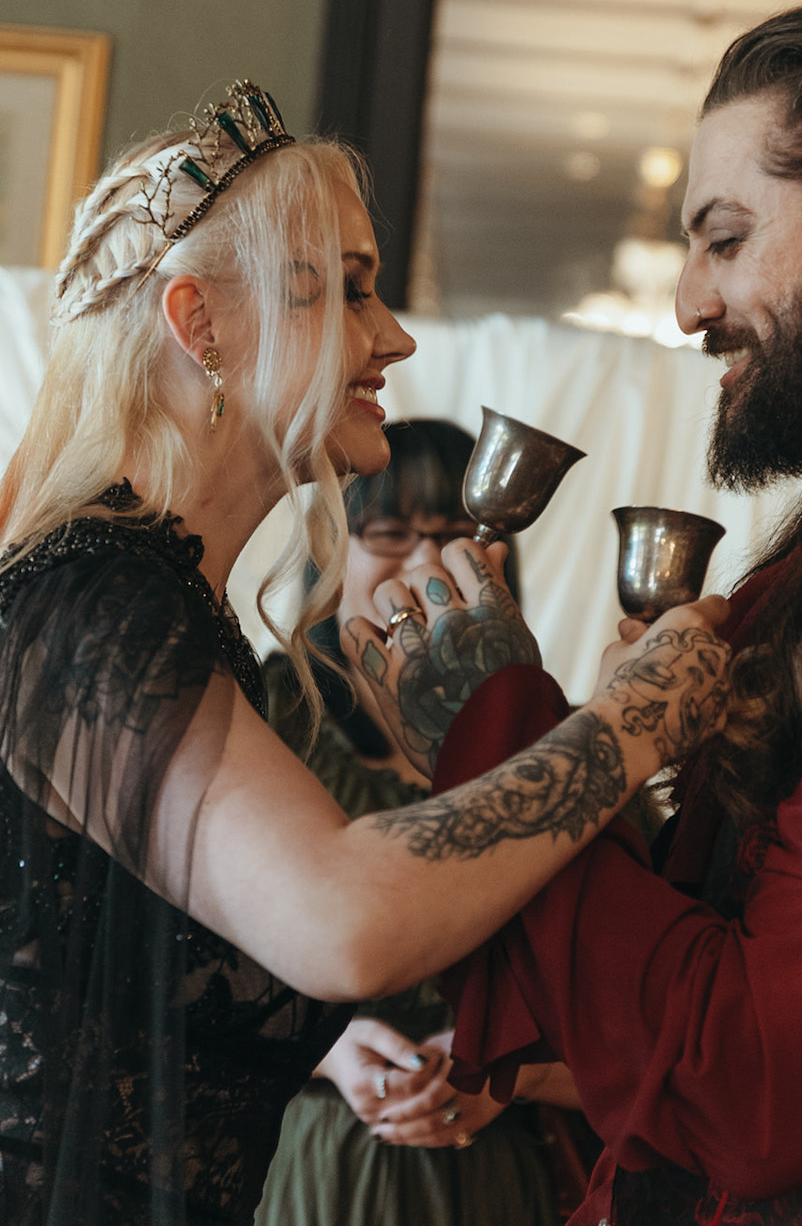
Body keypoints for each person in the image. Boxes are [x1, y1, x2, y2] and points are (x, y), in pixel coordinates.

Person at [0, 81, 731, 1226]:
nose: (395, 336)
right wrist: (632, 720)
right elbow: (344, 919)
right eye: (348, 291)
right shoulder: (83, 598)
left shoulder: (166, 613)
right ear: (202, 326)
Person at [341, 2, 802, 1224]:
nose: (691, 304)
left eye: (729, 238)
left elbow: (752, 1084)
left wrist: (494, 730)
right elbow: (692, 963)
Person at [257, 418, 596, 1226]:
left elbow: (634, 991)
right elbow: (159, 956)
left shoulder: (564, 741)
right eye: (391, 534)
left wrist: (512, 1072)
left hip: (502, 1174)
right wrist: (326, 1049)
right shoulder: (265, 718)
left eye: (452, 537)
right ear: (331, 556)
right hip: (314, 1161)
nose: (421, 565)